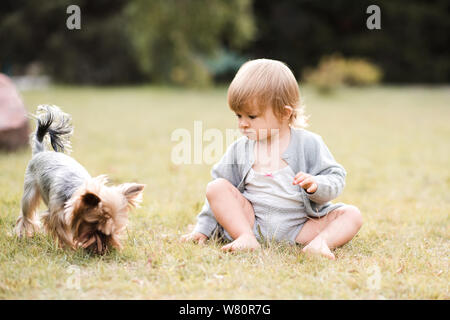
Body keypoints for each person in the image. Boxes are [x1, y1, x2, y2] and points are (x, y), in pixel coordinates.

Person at [181, 59, 362, 259]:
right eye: (238, 116)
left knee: (352, 214)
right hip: (252, 222)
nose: (243, 124)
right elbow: (217, 197)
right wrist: (203, 228)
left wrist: (316, 185)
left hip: (300, 227)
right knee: (216, 187)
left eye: (251, 116)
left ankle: (319, 244)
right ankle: (245, 237)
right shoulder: (240, 149)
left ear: (284, 113)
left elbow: (336, 178)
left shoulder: (309, 144)